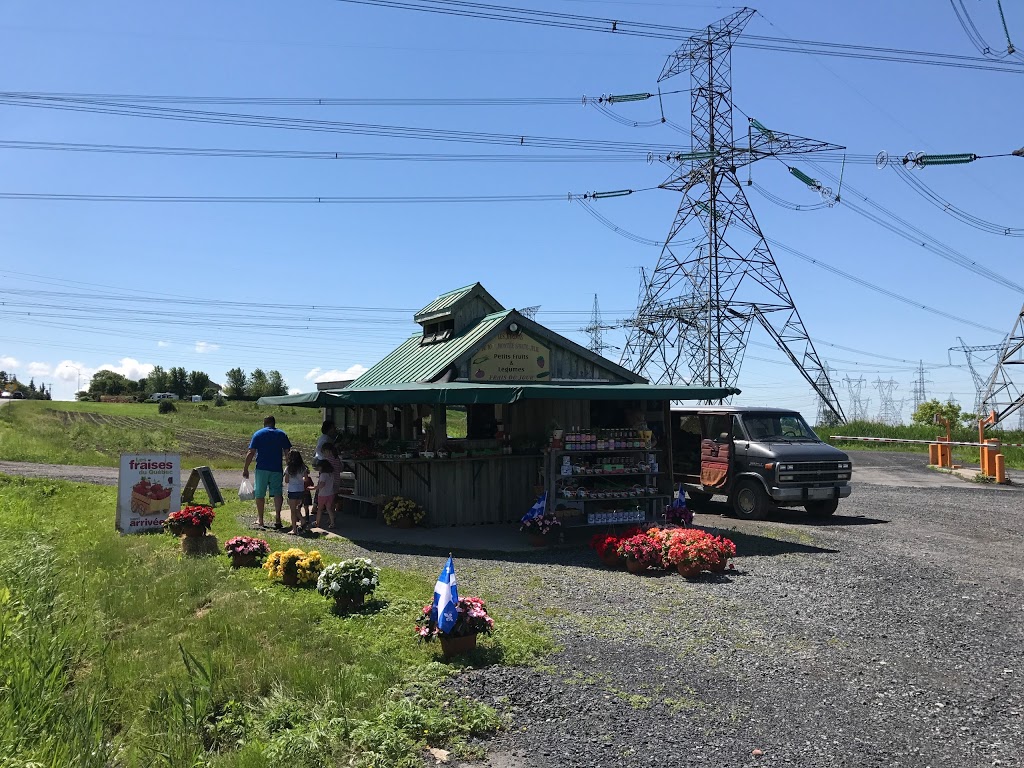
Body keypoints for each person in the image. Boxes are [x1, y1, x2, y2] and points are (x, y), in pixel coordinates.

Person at [243, 415, 292, 529]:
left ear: (264, 423)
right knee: (277, 493)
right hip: (276, 468)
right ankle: (278, 518)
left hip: (262, 468)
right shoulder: (281, 434)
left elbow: (251, 452)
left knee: (260, 494)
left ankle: (260, 519)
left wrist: (245, 468)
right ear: (274, 423)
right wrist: (290, 466)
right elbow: (287, 452)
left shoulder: (258, 434)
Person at [283, 450, 310, 535]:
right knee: (297, 509)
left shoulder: (288, 468)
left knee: (293, 510)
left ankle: (294, 529)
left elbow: (286, 481)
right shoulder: (303, 468)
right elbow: (306, 479)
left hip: (292, 490)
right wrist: (300, 479)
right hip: (301, 490)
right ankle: (302, 521)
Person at [314, 459, 337, 530]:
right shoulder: (331, 474)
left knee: (320, 509)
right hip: (330, 493)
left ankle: (317, 522)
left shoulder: (323, 475)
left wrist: (314, 488)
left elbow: (322, 484)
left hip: (322, 494)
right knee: (329, 509)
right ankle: (332, 522)